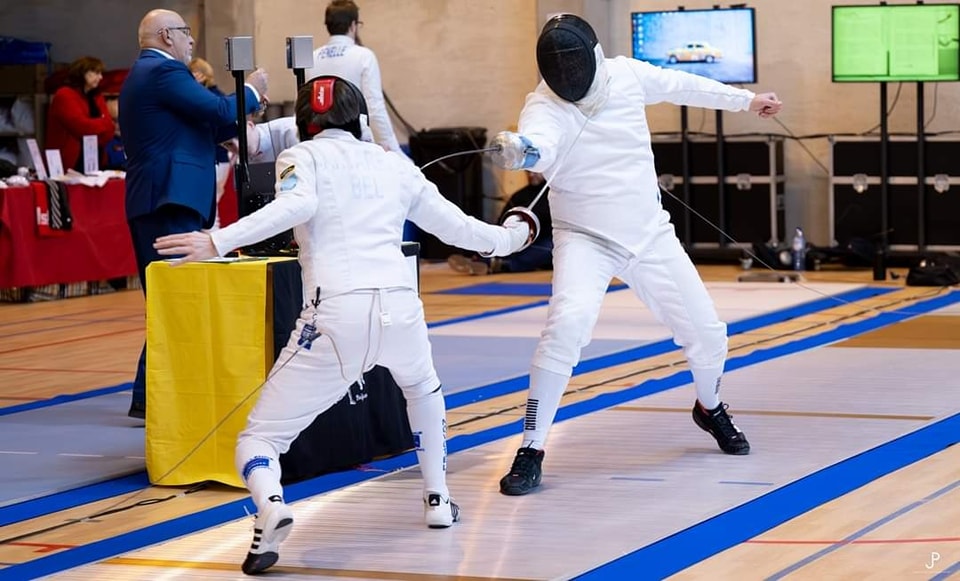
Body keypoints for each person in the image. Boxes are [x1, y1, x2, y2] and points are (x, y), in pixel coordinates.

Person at [152, 76, 536, 575]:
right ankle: (438, 500)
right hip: (401, 309)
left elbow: (295, 205)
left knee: (259, 440)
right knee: (423, 390)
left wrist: (218, 241)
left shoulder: (302, 158)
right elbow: (459, 227)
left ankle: (271, 507)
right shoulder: (393, 161)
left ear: (306, 126)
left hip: (335, 315)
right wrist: (512, 236)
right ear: (358, 121)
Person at [490, 14, 783, 496]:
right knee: (565, 328)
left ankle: (709, 408)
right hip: (584, 238)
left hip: (649, 234)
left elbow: (681, 82)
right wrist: (522, 152)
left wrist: (746, 101)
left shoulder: (625, 73)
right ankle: (531, 446)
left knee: (708, 334)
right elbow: (539, 147)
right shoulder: (543, 105)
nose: (568, 80)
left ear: (592, 56)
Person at [119, 8, 269, 419]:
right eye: (186, 34)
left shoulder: (151, 75)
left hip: (164, 197)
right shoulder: (164, 72)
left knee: (175, 303)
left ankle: (149, 397)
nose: (191, 42)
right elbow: (219, 111)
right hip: (168, 198)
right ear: (167, 36)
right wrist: (252, 91)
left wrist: (230, 137)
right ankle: (151, 398)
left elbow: (197, 125)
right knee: (177, 302)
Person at [303, 0, 403, 154]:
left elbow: (302, 108)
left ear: (328, 26)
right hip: (356, 145)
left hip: (319, 147)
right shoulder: (364, 56)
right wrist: (395, 151)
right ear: (353, 25)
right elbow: (375, 108)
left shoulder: (312, 58)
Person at [448, 171, 553, 275]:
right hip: (518, 240)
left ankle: (500, 265)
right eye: (528, 172)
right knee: (500, 238)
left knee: (548, 247)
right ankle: (486, 258)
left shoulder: (553, 195)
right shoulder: (519, 195)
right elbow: (503, 220)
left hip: (542, 241)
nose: (531, 175)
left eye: (535, 173)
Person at [44, 56, 116, 173]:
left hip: (94, 158)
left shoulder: (97, 96)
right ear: (83, 73)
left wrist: (100, 125)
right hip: (68, 161)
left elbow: (110, 129)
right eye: (96, 73)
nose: (101, 77)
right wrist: (103, 123)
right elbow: (81, 127)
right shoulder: (64, 95)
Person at [188, 57, 234, 224]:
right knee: (211, 209)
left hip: (211, 159)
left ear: (199, 75)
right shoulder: (221, 98)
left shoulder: (206, 100)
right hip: (222, 159)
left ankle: (211, 247)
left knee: (207, 212)